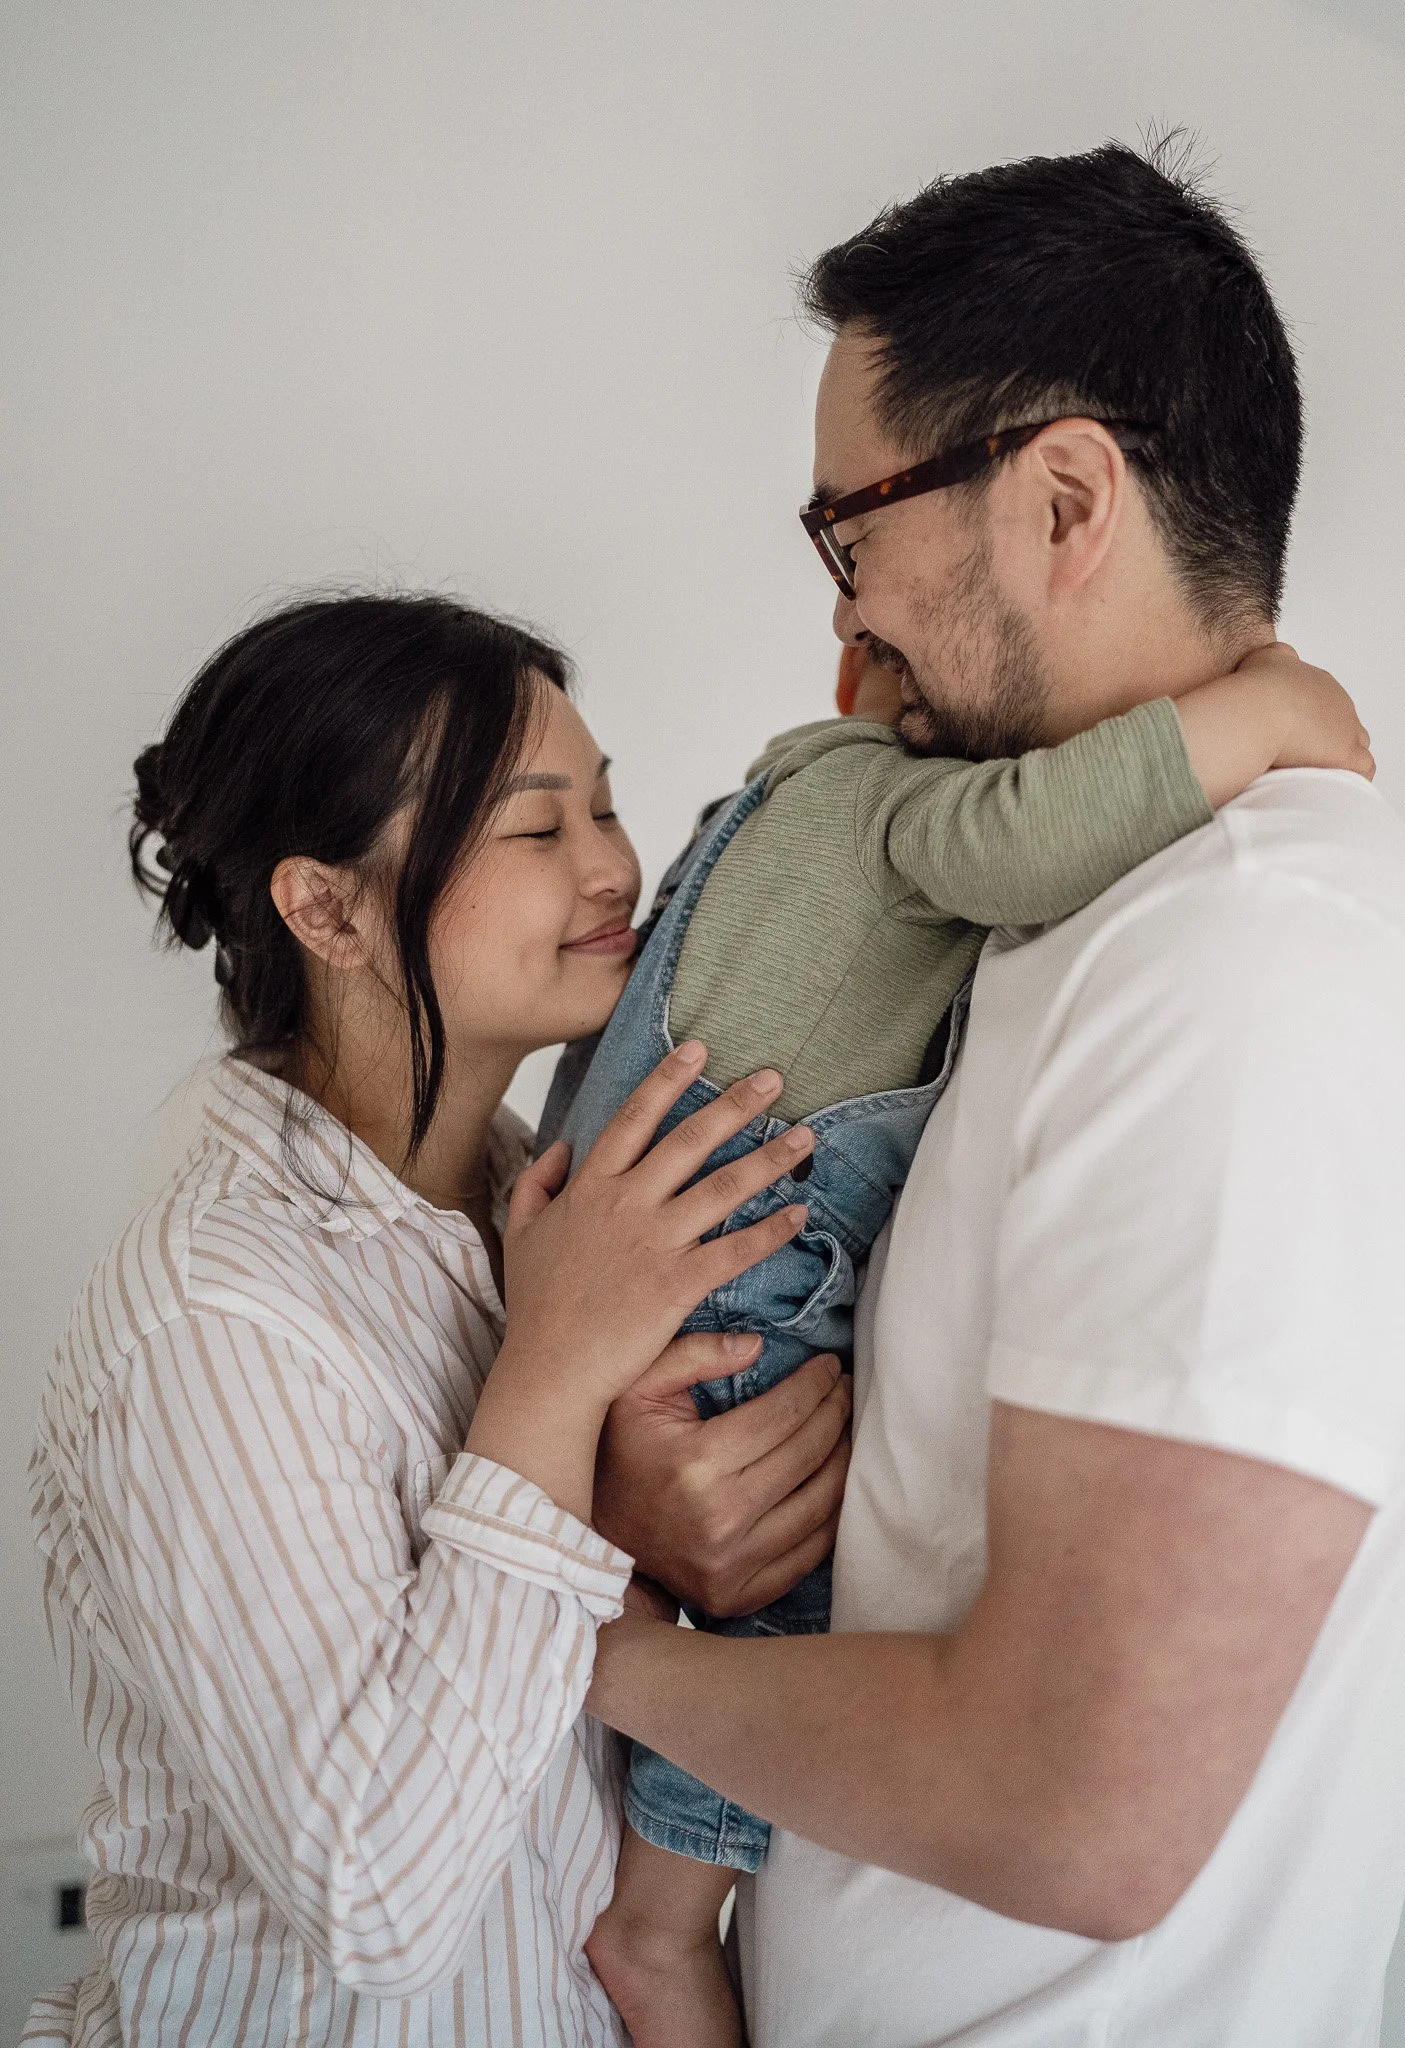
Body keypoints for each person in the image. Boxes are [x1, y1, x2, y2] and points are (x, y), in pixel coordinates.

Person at [582, 144, 1405, 2048]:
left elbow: (1072, 1809)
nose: (845, 608)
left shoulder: (1252, 965)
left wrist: (570, 1653)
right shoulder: (1085, 921)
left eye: (852, 528)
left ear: (1063, 499)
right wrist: (676, 1496)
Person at [25, 592, 855, 2048]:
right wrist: (559, 1384)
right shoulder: (214, 1317)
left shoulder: (542, 1199)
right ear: (326, 906)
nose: (612, 867)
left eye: (605, 808)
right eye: (535, 831)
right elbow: (380, 1899)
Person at [567, 626, 1371, 2046]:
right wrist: (1266, 716)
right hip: (740, 1272)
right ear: (876, 693)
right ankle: (660, 1928)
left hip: (680, 1251)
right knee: (783, 1602)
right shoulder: (879, 802)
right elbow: (1030, 839)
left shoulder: (778, 795)